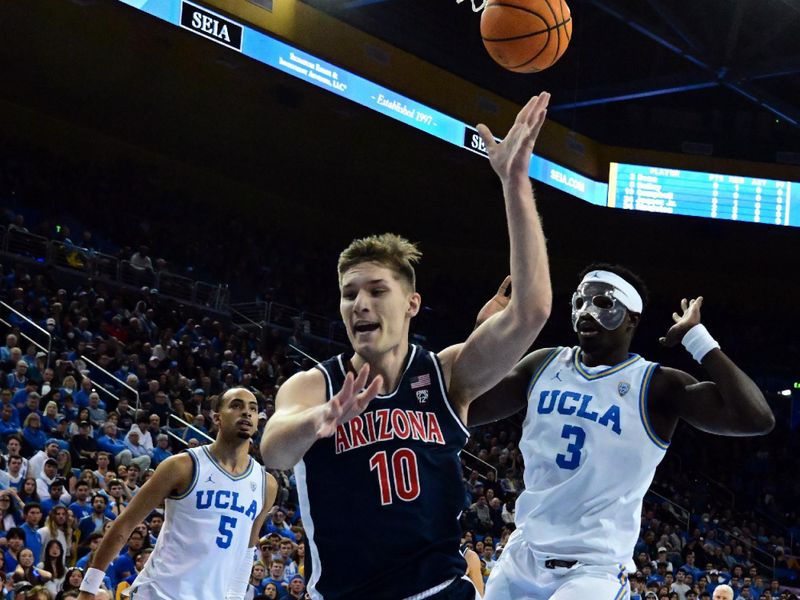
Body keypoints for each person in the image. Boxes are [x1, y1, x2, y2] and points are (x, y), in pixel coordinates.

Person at [260, 93, 553, 600]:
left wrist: (515, 184)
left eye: (377, 291)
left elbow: (531, 311)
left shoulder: (447, 374)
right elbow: (274, 450)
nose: (359, 304)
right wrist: (320, 420)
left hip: (439, 589)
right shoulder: (315, 385)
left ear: (412, 303)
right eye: (349, 294)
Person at [468, 264, 775, 600]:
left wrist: (697, 338)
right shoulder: (543, 364)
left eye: (603, 303)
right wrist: (485, 336)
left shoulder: (656, 385)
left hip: (592, 571)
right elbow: (468, 407)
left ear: (632, 318)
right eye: (581, 301)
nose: (587, 311)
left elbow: (756, 419)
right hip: (522, 555)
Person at [77, 387, 277, 600]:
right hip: (159, 593)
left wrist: (236, 596)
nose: (246, 412)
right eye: (237, 406)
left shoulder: (266, 484)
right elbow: (125, 523)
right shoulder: (182, 466)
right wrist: (88, 589)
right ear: (217, 418)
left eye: (253, 409)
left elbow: (247, 549)